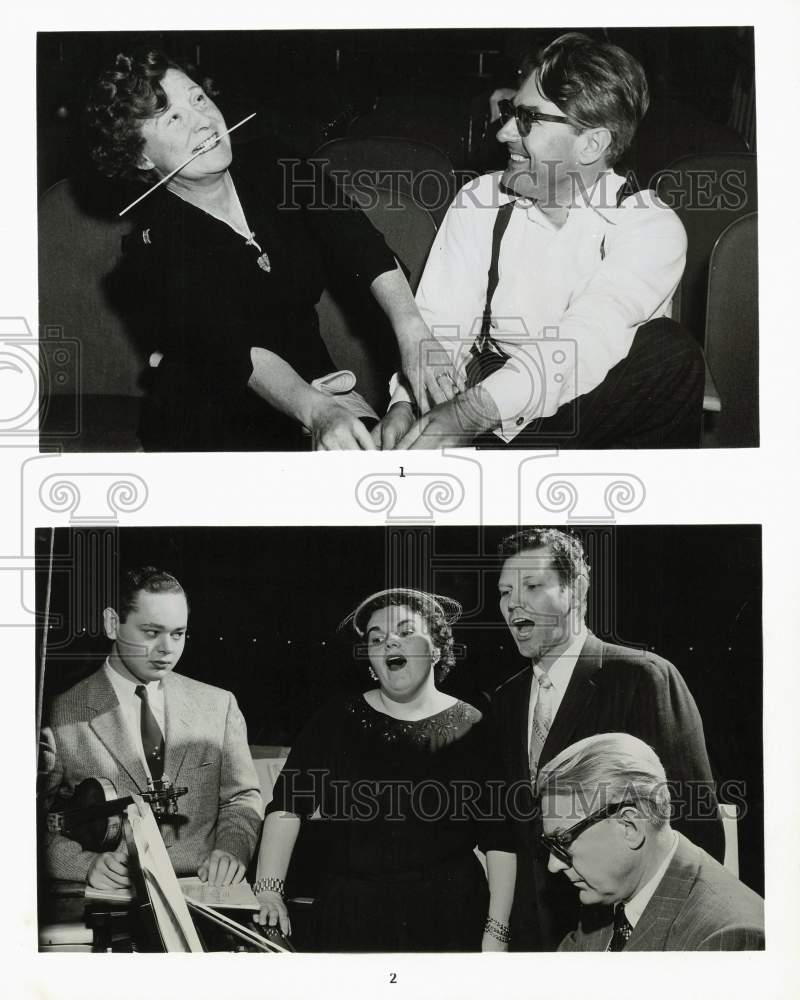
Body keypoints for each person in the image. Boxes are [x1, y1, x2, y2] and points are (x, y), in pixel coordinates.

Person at [87, 47, 454, 451]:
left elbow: (359, 242)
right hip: (216, 417)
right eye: (173, 118)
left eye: (198, 99)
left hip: (321, 384)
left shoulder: (273, 162)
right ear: (140, 156)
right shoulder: (151, 250)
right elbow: (234, 351)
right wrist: (316, 412)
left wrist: (412, 329)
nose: (204, 121)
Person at [373, 32, 704, 450]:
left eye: (528, 120)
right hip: (487, 414)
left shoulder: (648, 225)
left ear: (591, 144)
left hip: (583, 420)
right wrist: (407, 405)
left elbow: (586, 341)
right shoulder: (481, 200)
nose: (504, 132)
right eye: (510, 112)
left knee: (672, 354)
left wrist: (466, 414)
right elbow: (440, 323)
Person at [490, 528, 723, 950]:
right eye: (505, 591)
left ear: (577, 589)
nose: (513, 604)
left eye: (532, 586)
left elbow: (694, 826)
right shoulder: (505, 701)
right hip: (534, 943)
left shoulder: (642, 678)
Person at [253, 588, 516, 951]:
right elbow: (286, 807)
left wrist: (496, 934)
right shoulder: (335, 720)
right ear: (371, 662)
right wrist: (269, 891)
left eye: (406, 632)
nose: (390, 642)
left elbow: (500, 841)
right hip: (351, 918)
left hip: (451, 920)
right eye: (377, 638)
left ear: (437, 648)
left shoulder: (475, 726)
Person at [38, 567, 263, 890]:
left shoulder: (219, 705)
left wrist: (231, 851)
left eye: (178, 633)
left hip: (205, 892)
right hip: (114, 902)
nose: (167, 649)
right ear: (112, 624)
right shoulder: (60, 714)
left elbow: (241, 799)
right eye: (151, 632)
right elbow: (25, 823)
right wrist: (85, 864)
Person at [537, 733, 764, 950]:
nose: (553, 865)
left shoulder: (727, 938)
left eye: (563, 841)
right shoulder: (609, 889)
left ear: (630, 827)